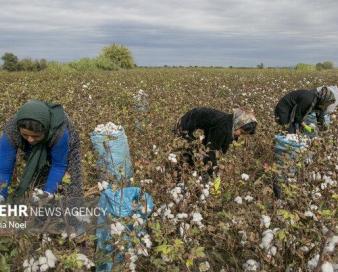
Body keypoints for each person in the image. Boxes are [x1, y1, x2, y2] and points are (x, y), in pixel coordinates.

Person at [0, 99, 83, 203]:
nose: (30, 139)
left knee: (72, 183)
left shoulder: (60, 133)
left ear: (45, 131)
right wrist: (1, 193)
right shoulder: (11, 131)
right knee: (38, 180)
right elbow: (4, 169)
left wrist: (48, 192)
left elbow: (59, 165)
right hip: (37, 142)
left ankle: (76, 213)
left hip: (62, 142)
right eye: (25, 135)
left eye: (35, 136)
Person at [174, 107, 257, 173]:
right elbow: (211, 149)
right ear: (239, 122)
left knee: (201, 153)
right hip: (186, 124)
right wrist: (213, 170)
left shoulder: (231, 121)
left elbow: (223, 143)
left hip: (197, 124)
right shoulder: (223, 128)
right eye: (241, 132)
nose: (240, 135)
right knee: (189, 153)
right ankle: (179, 172)